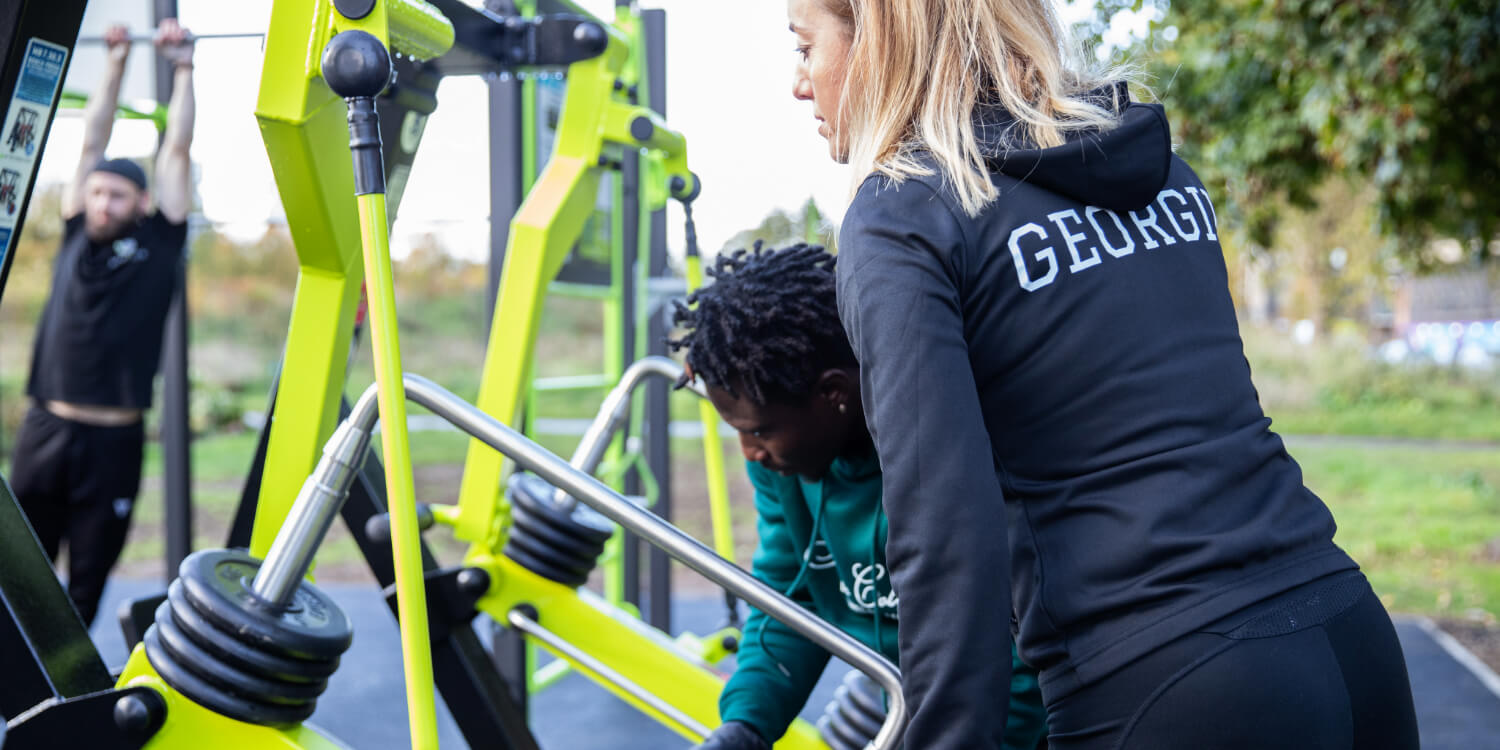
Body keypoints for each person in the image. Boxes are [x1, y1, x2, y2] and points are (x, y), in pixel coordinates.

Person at [784, 1, 1420, 749]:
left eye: (804, 47)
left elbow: (947, 532)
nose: (800, 84)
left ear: (882, 41)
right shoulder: (1159, 171)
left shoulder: (903, 216)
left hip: (1170, 681)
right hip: (1350, 636)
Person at [671, 243, 1048, 750]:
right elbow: (792, 592)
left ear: (833, 394)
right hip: (910, 695)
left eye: (759, 431)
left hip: (1025, 719)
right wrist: (745, 725)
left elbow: (1022, 644)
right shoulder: (788, 466)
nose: (750, 452)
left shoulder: (950, 453)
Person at [9, 20, 195, 627]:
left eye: (117, 196)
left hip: (113, 442)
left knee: (85, 586)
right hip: (46, 431)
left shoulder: (160, 242)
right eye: (96, 193)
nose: (102, 204)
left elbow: (176, 151)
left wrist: (184, 68)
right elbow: (90, 144)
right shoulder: (71, 234)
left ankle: (64, 714)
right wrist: (113, 63)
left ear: (140, 203)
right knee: (17, 579)